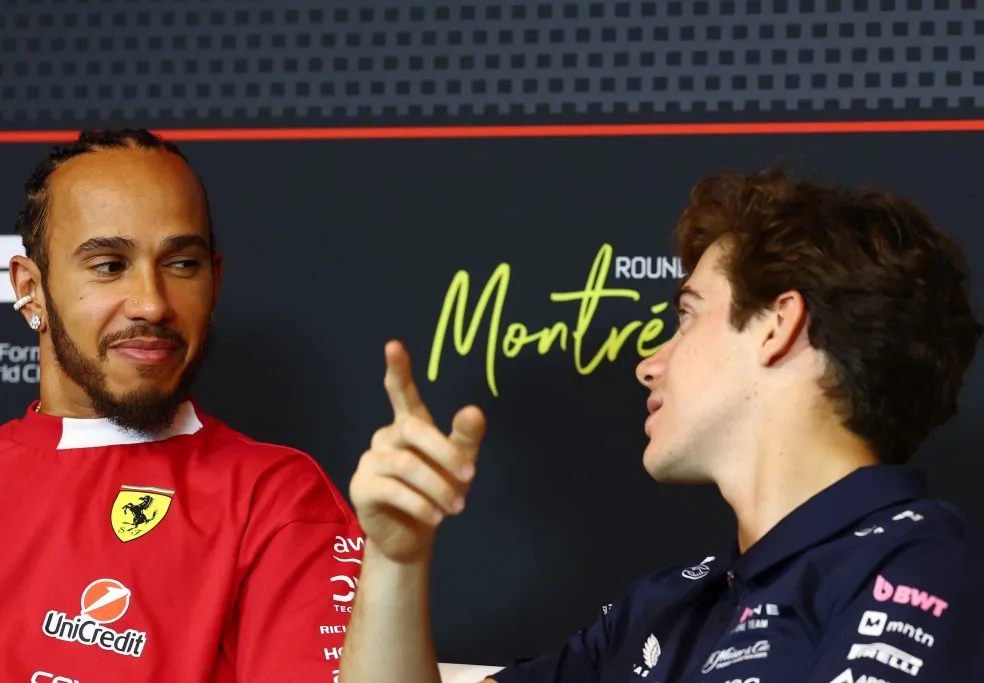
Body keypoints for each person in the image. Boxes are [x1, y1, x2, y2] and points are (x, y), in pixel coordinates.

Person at [340, 169, 984, 683]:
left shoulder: (925, 561)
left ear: (775, 324)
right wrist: (398, 558)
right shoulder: (665, 607)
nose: (649, 365)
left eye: (685, 317)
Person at [0, 129, 363, 682]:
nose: (152, 302)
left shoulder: (274, 497)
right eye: (108, 264)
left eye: (182, 264)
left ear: (215, 282)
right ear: (31, 288)